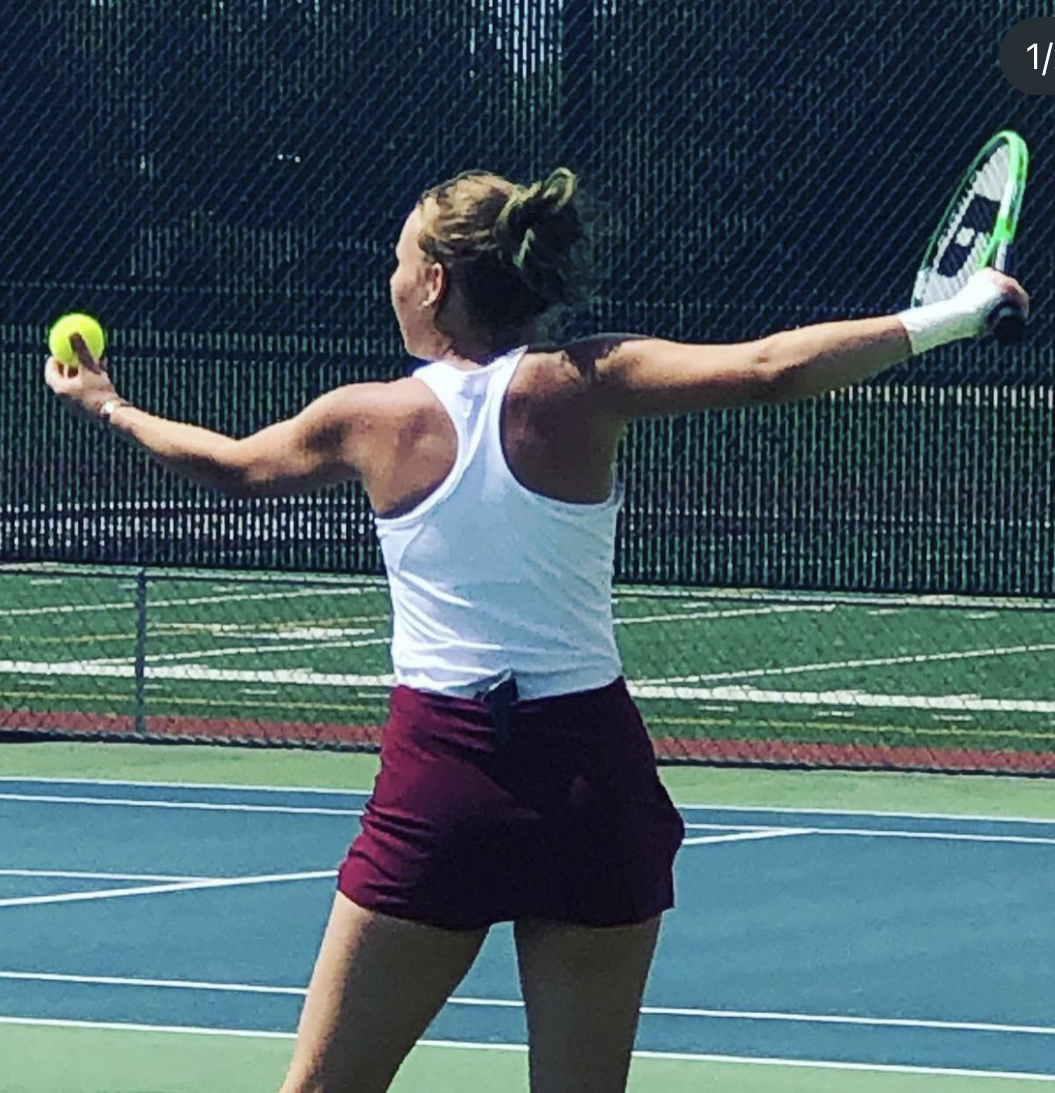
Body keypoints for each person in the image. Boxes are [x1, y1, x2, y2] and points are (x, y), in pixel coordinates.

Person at [45, 166, 1028, 1093]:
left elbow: (228, 464)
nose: (388, 279)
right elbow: (769, 367)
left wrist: (108, 404)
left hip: (442, 782)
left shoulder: (369, 416)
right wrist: (953, 313)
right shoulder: (583, 382)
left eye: (396, 262)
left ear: (432, 283)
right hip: (590, 782)